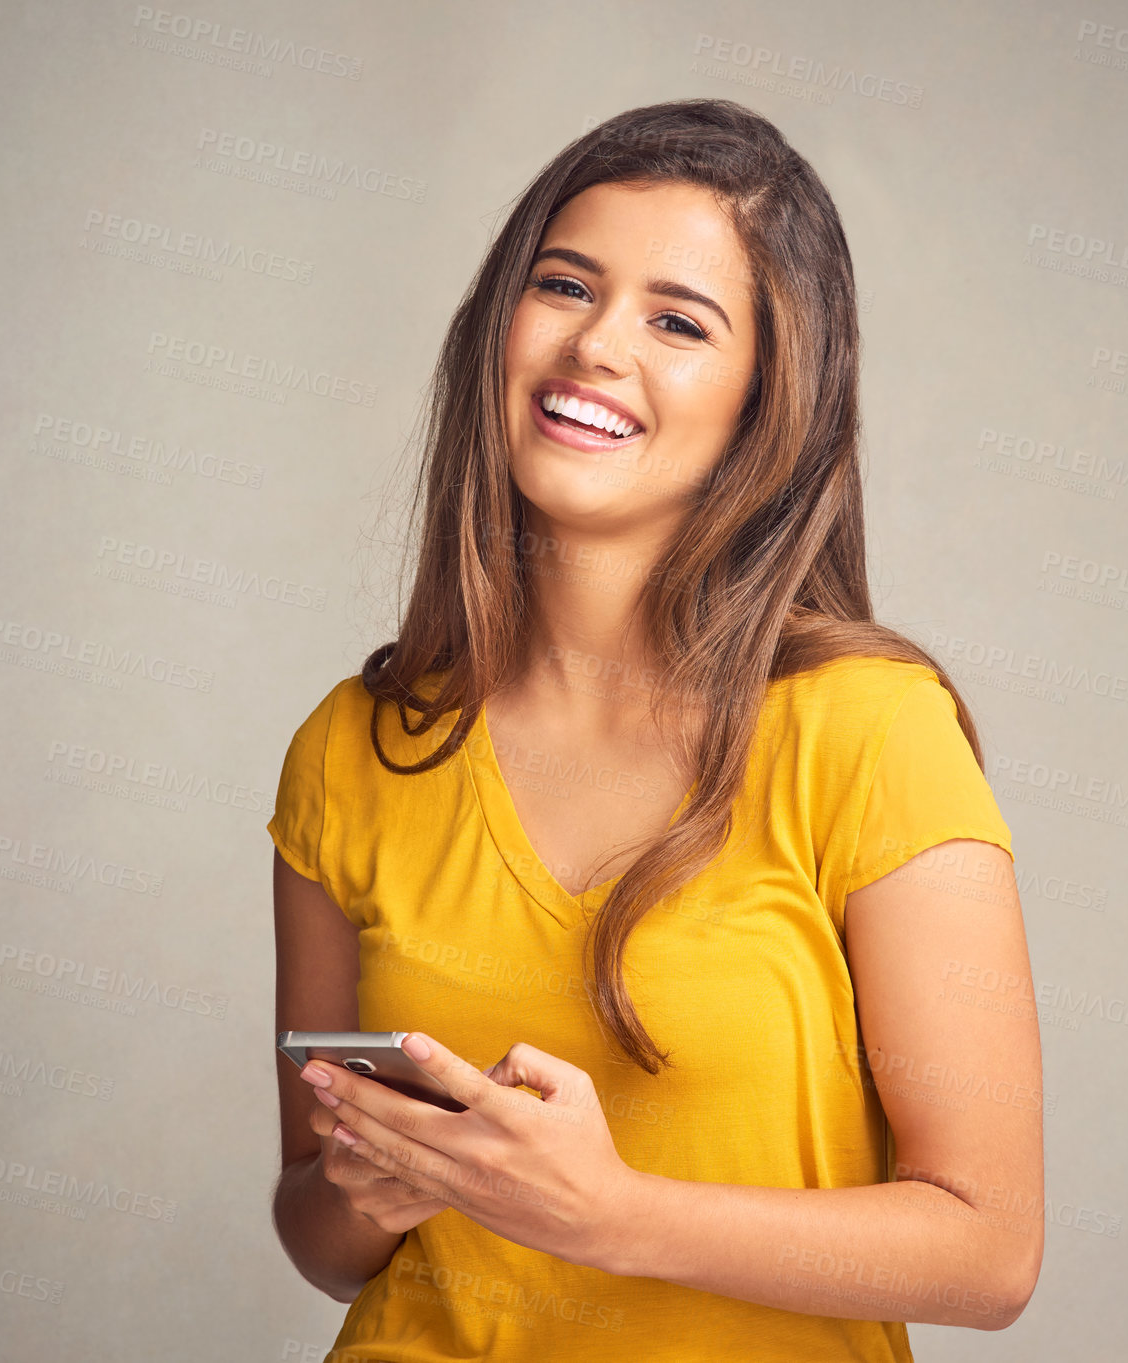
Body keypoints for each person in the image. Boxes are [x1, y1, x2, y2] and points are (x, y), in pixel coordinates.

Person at [267, 98, 1044, 1362]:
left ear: (763, 401)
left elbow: (991, 1250)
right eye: (564, 286)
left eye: (678, 321)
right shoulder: (351, 748)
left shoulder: (871, 734)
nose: (595, 346)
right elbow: (315, 1232)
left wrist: (612, 1216)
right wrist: (373, 1184)